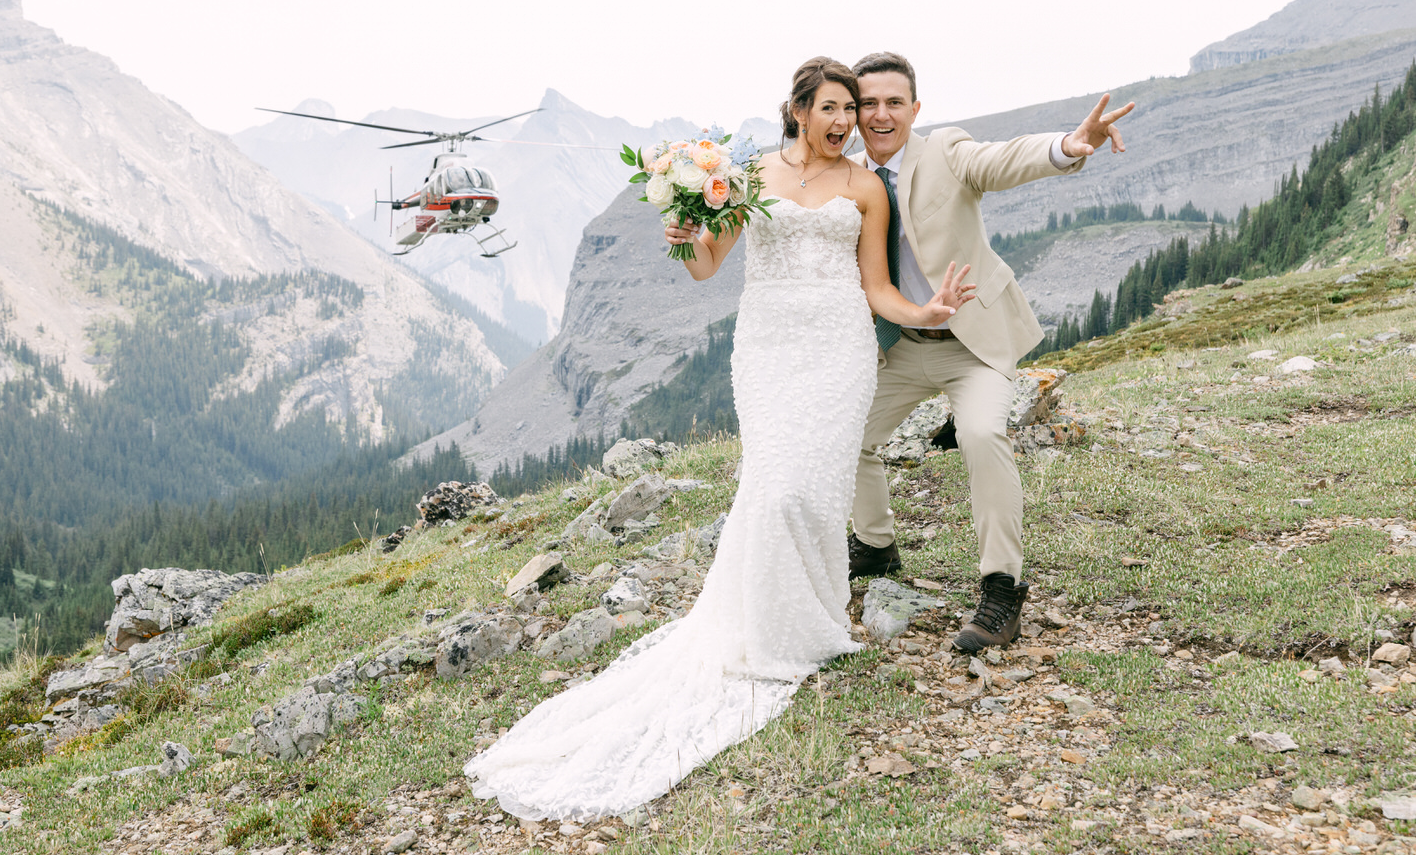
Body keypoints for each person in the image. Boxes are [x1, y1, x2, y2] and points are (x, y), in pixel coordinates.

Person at [464, 57, 975, 822]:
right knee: (773, 484)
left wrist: (928, 313)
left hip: (838, 350)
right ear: (798, 110)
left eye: (851, 110)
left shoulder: (866, 188)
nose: (845, 123)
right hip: (766, 349)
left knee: (811, 488)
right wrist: (682, 233)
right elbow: (707, 268)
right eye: (832, 109)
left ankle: (812, 616)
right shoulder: (747, 177)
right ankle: (769, 624)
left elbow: (875, 288)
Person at [843, 50, 1133, 653]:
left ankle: (1002, 591)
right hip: (898, 346)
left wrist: (1067, 146)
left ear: (914, 108)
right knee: (844, 436)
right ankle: (873, 545)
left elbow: (999, 160)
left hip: (970, 344)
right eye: (868, 102)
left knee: (980, 435)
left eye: (893, 102)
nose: (880, 114)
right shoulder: (844, 175)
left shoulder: (945, 151)